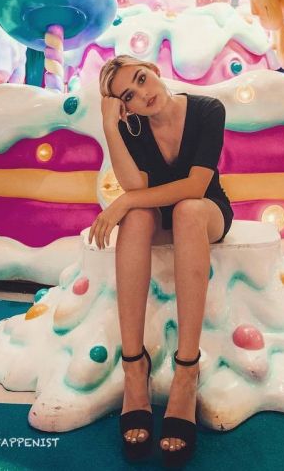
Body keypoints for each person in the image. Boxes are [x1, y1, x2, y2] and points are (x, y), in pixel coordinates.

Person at [88, 55, 233, 467]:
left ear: (152, 70)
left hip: (205, 211)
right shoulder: (132, 126)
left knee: (185, 209)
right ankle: (134, 367)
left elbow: (196, 186)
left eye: (141, 79)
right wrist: (110, 126)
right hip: (158, 214)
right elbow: (133, 185)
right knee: (135, 218)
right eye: (127, 96)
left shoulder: (208, 110)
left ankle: (187, 370)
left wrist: (125, 201)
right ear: (124, 107)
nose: (142, 94)